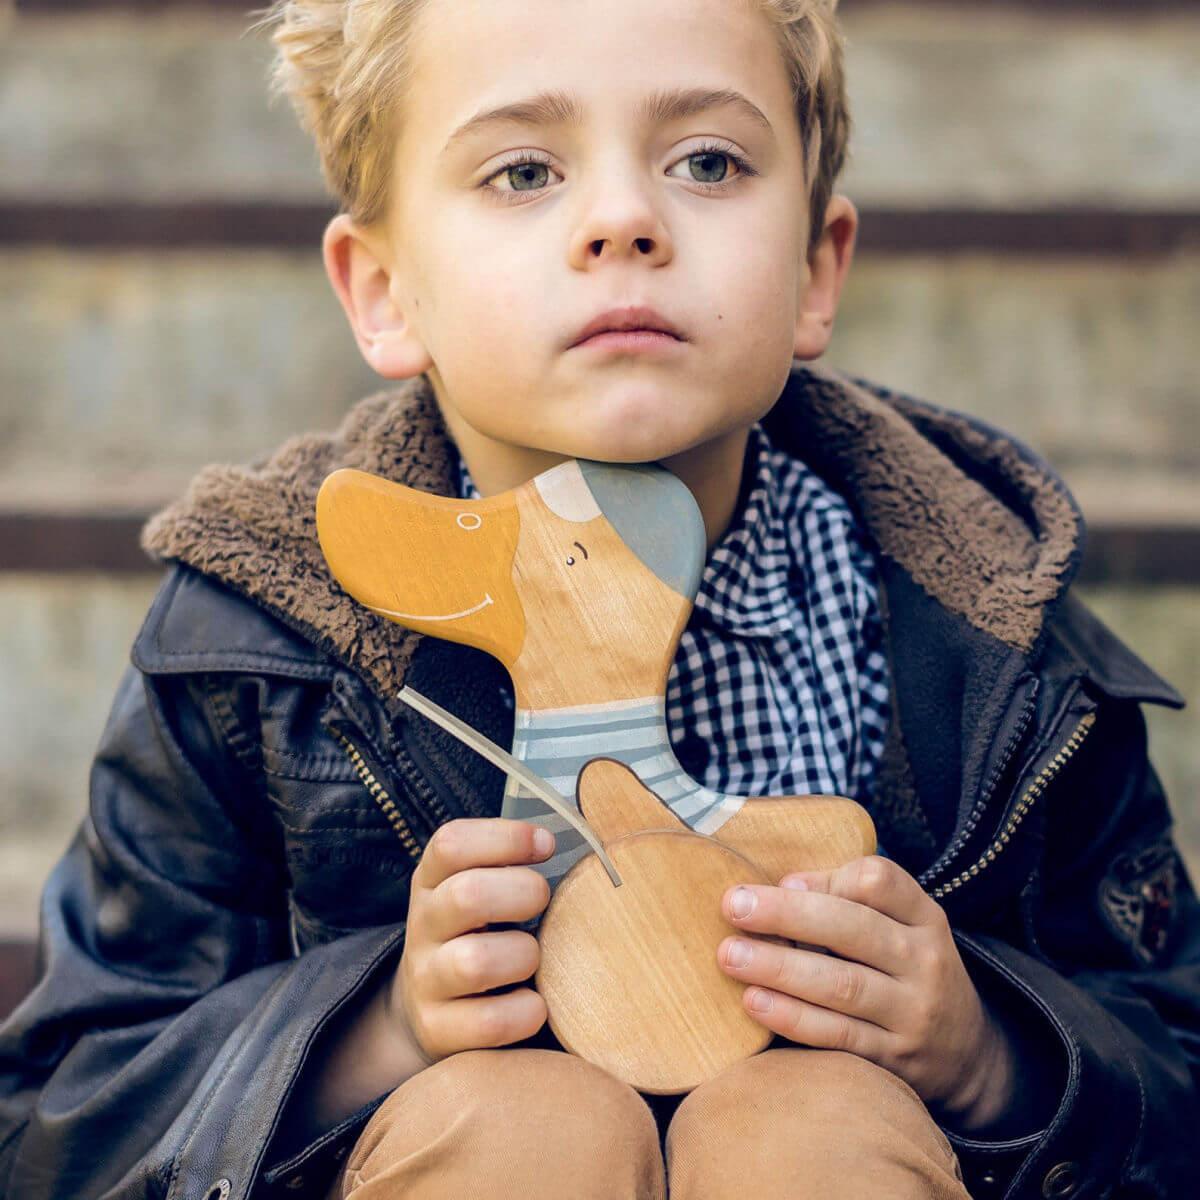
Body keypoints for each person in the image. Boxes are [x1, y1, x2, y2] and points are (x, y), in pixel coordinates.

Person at [2, 0, 1197, 1196]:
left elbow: (1173, 1068)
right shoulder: (259, 642)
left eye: (707, 162)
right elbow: (67, 1110)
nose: (624, 220)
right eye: (523, 170)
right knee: (520, 1127)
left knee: (814, 1127)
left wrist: (993, 1055)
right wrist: (376, 1034)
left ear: (816, 272)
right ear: (383, 291)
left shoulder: (995, 634)